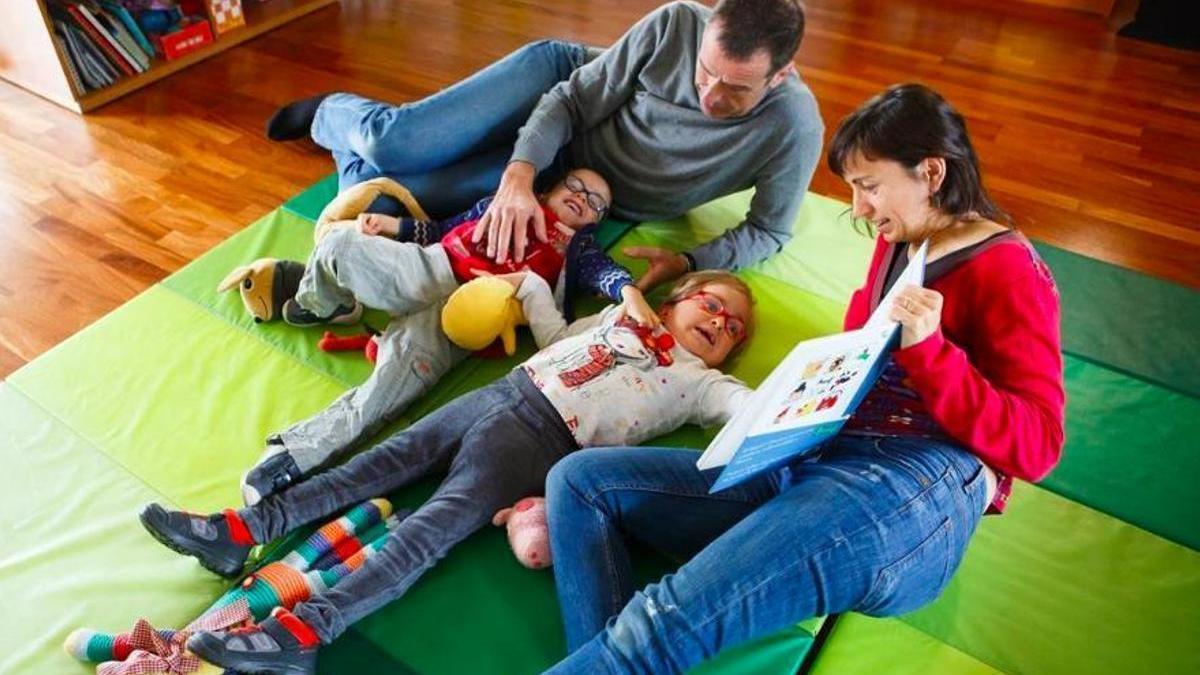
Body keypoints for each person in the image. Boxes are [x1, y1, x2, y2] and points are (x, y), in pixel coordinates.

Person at [540, 83, 1067, 673]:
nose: (860, 209)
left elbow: (1040, 444)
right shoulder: (900, 236)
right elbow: (856, 346)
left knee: (661, 622)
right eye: (854, 190)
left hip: (907, 487)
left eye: (870, 187)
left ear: (933, 171)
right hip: (818, 459)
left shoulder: (1010, 269)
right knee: (579, 484)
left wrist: (933, 353)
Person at [139, 269, 757, 675]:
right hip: (506, 389)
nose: (719, 324)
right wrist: (553, 286)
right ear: (676, 300)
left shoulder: (701, 383)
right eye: (713, 305)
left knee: (430, 528)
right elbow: (551, 325)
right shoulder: (618, 318)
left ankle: (307, 632)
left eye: (732, 330)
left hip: (543, 440)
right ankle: (245, 530)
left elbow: (748, 408)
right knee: (380, 463)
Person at [266, 0, 822, 292]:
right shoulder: (675, 22)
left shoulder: (794, 126)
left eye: (735, 88)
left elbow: (767, 230)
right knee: (397, 144)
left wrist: (688, 261)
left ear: (780, 75)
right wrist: (516, 176)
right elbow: (573, 100)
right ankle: (332, 113)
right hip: (557, 90)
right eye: (705, 73)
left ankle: (351, 157)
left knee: (380, 208)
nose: (710, 94)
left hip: (576, 180)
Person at [241, 168, 653, 505]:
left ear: (596, 221)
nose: (582, 197)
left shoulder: (579, 251)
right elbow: (441, 228)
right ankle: (327, 303)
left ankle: (290, 457)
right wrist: (393, 225)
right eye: (575, 185)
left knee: (381, 397)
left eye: (595, 202)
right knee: (339, 242)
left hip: (460, 321)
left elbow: (606, 274)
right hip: (429, 268)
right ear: (550, 187)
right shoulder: (503, 202)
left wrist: (629, 291)